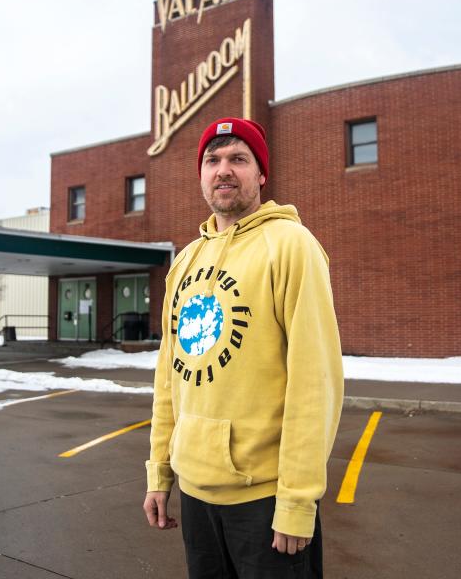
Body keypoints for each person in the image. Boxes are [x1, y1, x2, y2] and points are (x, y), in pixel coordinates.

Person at [143, 117, 344, 578]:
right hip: (195, 494)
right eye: (212, 160)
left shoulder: (292, 245)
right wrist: (160, 472)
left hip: (265, 500)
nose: (223, 170)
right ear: (200, 174)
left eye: (238, 158)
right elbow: (168, 379)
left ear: (261, 174)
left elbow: (315, 381)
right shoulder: (186, 261)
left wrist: (297, 499)